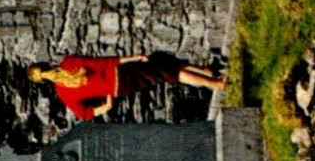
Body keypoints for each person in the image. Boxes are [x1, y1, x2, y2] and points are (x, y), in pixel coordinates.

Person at [28, 51, 223, 120]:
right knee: (166, 72)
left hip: (120, 89)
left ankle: (207, 71)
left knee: (161, 62)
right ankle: (213, 83)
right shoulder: (69, 62)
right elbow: (103, 62)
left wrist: (106, 104)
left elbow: (83, 114)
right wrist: (133, 57)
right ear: (46, 64)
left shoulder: (64, 94)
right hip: (120, 72)